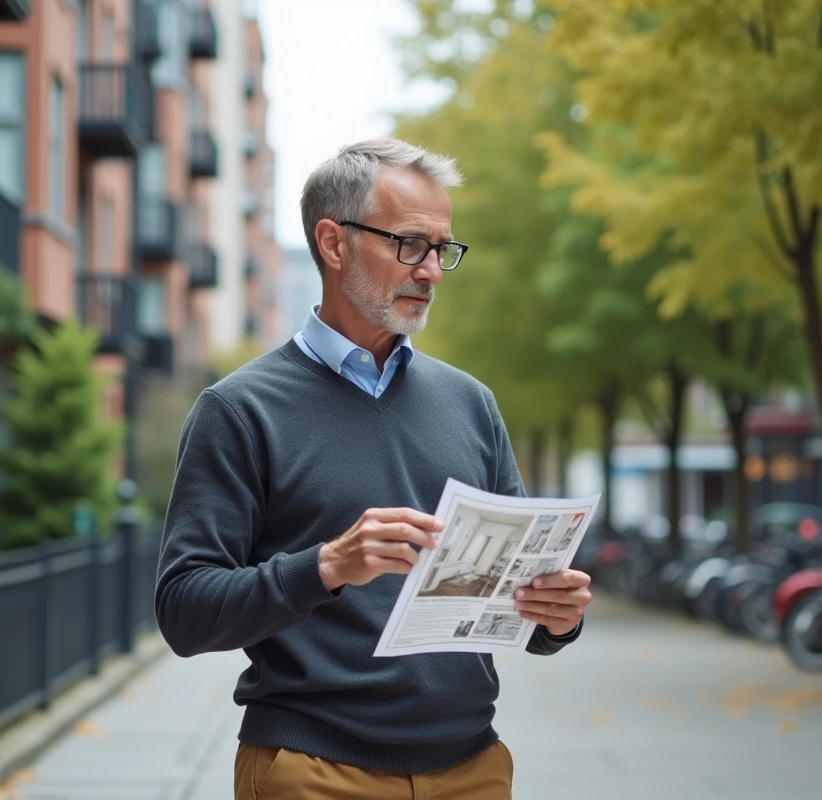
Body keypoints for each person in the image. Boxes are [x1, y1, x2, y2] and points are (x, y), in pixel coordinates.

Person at [155, 139, 592, 800]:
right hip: (314, 768)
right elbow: (184, 611)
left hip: (473, 767)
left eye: (442, 249)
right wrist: (328, 566)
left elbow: (517, 607)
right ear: (334, 243)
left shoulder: (471, 403)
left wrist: (555, 616)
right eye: (410, 245)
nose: (433, 271)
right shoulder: (240, 410)